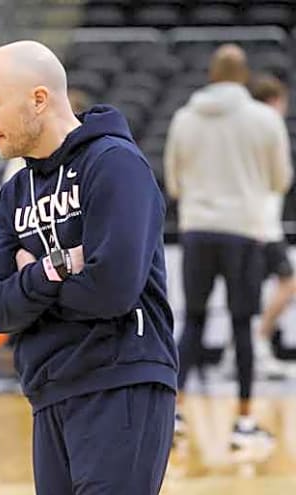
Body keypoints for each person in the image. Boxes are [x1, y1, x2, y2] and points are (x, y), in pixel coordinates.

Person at [0, 41, 178, 495]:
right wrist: (58, 267)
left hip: (120, 380)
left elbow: (112, 290)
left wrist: (29, 286)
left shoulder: (114, 164)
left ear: (39, 99)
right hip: (49, 389)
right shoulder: (15, 193)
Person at [164, 45, 291, 453]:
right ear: (243, 77)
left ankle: (175, 411)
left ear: (210, 74)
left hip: (198, 230)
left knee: (193, 323)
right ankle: (244, 421)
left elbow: (173, 182)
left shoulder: (183, 118)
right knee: (242, 326)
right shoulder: (263, 120)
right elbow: (280, 180)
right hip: (244, 232)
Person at [250, 73, 294, 378]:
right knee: (289, 283)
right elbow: (282, 178)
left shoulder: (243, 126)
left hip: (248, 222)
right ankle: (258, 342)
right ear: (276, 100)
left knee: (249, 293)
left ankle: (247, 347)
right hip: (265, 223)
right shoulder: (271, 123)